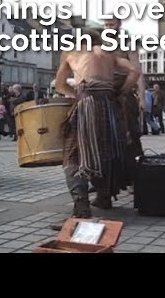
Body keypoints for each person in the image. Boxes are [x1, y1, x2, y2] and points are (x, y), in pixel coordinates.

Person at [55, 29, 141, 218]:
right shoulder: (109, 54)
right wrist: (121, 92)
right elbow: (135, 70)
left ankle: (81, 205)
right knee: (106, 151)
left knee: (73, 154)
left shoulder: (72, 53)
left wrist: (76, 94)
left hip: (86, 105)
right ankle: (104, 196)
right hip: (108, 105)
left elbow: (59, 85)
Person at [103, 16, 146, 194]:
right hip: (105, 95)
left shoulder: (127, 43)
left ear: (119, 24)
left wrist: (142, 97)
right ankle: (107, 183)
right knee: (106, 139)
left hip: (125, 95)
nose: (109, 27)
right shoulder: (100, 45)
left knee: (131, 138)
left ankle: (137, 179)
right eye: (106, 24)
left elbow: (137, 71)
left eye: (111, 24)